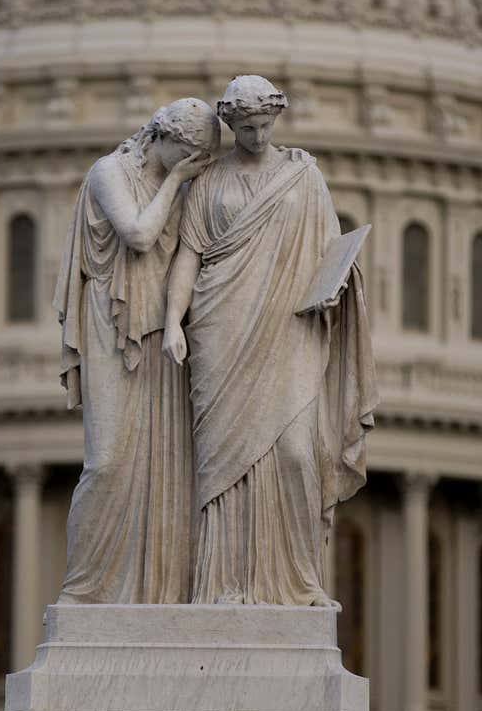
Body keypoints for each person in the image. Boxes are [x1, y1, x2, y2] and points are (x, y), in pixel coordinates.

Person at [163, 75, 378, 607]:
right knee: (222, 465)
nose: (258, 137)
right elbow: (189, 254)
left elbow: (332, 253)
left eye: (264, 126)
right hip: (221, 328)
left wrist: (334, 289)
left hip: (290, 329)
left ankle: (299, 583)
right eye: (247, 128)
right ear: (230, 125)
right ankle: (224, 584)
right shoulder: (209, 182)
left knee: (296, 454)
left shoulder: (303, 177)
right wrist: (172, 322)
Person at [53, 98, 219, 604]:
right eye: (188, 153)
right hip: (111, 323)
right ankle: (85, 590)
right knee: (106, 463)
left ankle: (157, 591)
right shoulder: (110, 171)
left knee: (163, 469)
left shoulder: (187, 187)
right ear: (162, 136)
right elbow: (140, 235)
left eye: (200, 159)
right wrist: (176, 180)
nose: (192, 165)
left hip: (163, 333)